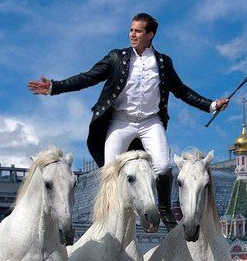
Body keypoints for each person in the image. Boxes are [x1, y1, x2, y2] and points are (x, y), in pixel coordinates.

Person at [28, 12, 229, 230]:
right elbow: (88, 77)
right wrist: (54, 87)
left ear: (150, 34)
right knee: (110, 169)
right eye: (131, 30)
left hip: (150, 122)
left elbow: (182, 91)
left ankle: (163, 209)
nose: (132, 34)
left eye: (138, 31)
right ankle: (108, 213)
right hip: (120, 120)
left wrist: (211, 105)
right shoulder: (117, 57)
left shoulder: (163, 63)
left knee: (162, 166)